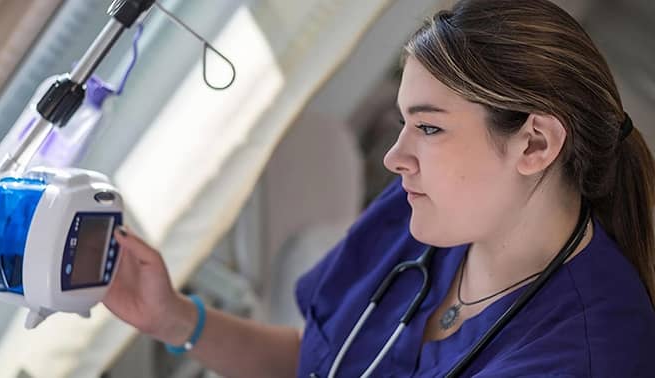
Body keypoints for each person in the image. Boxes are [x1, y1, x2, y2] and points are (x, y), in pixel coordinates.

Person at [102, 0, 655, 376]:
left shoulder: (586, 356)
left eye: (430, 127)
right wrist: (173, 317)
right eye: (403, 124)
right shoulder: (418, 216)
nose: (395, 159)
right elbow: (320, 362)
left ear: (534, 144)